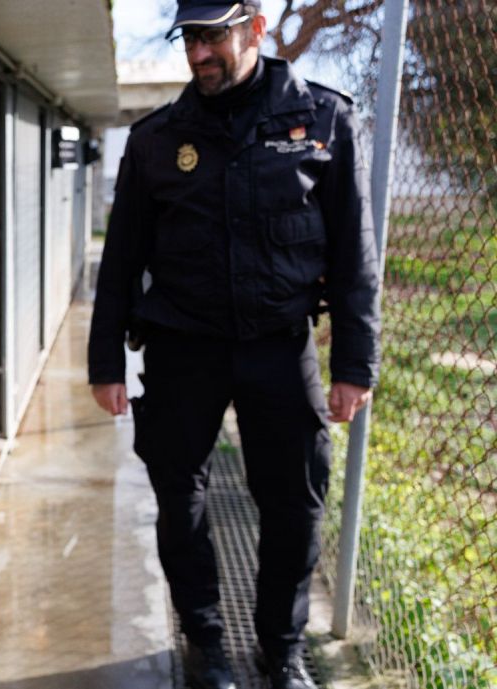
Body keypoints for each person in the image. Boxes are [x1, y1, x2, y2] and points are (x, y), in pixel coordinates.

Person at [87, 1, 380, 688]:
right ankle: (207, 643)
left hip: (280, 347)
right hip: (183, 347)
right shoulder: (159, 138)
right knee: (178, 497)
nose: (197, 56)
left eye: (212, 37)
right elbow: (122, 256)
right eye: (190, 39)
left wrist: (354, 363)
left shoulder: (322, 121)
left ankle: (279, 648)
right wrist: (106, 363)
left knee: (295, 503)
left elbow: (354, 254)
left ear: (254, 29)